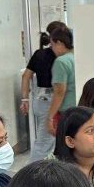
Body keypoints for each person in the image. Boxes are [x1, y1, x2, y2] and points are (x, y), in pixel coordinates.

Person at [21, 21, 66, 161]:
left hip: (40, 99)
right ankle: (33, 174)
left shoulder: (39, 54)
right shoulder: (60, 57)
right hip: (51, 102)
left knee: (48, 140)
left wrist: (25, 99)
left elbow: (26, 76)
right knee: (45, 141)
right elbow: (60, 89)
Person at [46, 25, 76, 136]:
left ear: (59, 43)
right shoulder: (77, 57)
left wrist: (50, 117)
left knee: (64, 144)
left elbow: (59, 92)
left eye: (52, 45)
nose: (52, 49)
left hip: (66, 112)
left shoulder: (61, 62)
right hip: (80, 109)